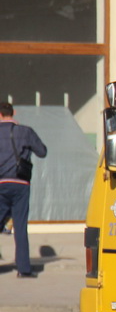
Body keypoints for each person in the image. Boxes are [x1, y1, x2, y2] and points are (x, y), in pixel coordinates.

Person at [0, 101, 48, 278]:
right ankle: (24, 269)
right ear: (13, 113)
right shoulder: (25, 131)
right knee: (20, 226)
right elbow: (42, 152)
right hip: (21, 184)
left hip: (1, 184)